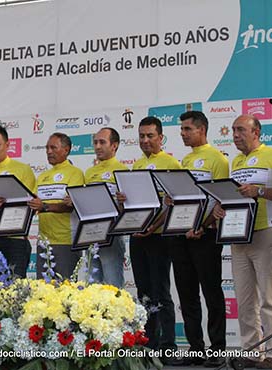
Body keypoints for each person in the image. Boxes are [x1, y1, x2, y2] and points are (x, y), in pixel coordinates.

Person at [117, 117, 181, 363]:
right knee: (143, 292)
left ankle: (168, 347)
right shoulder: (137, 166)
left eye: (150, 136)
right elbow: (136, 204)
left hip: (159, 237)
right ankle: (148, 345)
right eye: (141, 136)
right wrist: (124, 201)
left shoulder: (171, 163)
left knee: (161, 292)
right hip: (138, 236)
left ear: (161, 137)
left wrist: (151, 227)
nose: (145, 140)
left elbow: (173, 205)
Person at [170, 111, 228, 367]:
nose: (182, 133)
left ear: (201, 129)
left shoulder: (217, 158)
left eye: (187, 129)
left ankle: (217, 350)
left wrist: (202, 226)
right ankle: (196, 348)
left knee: (212, 292)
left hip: (207, 235)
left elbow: (219, 199)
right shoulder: (185, 160)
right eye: (181, 130)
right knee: (187, 294)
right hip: (183, 234)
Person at [214, 115, 272, 369]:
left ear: (256, 132)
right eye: (233, 130)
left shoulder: (269, 154)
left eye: (241, 130)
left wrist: (258, 191)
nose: (235, 135)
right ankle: (252, 351)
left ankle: (271, 353)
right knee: (245, 298)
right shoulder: (234, 161)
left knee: (269, 297)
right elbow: (230, 195)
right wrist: (220, 208)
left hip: (265, 231)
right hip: (238, 234)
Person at [0, 125, 35, 284]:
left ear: (8, 145)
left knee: (15, 291)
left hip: (15, 238)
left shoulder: (23, 170)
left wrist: (9, 203)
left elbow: (31, 206)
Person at [29, 133, 84, 278]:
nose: (49, 151)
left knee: (65, 292)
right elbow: (33, 203)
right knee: (44, 293)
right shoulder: (42, 176)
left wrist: (45, 206)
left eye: (53, 147)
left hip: (65, 241)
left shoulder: (75, 173)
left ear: (66, 150)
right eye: (47, 148)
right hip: (44, 242)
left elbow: (70, 205)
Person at [84, 127, 127, 288]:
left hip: (112, 235)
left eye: (102, 142)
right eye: (95, 142)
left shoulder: (122, 170)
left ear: (114, 145)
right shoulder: (89, 173)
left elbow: (127, 209)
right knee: (92, 290)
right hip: (90, 235)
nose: (97, 146)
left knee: (113, 287)